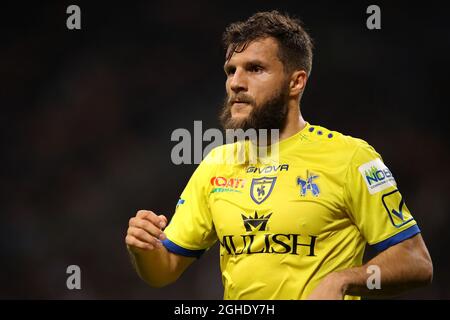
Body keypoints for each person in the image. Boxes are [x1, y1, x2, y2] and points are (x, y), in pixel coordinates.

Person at [125, 10, 433, 300]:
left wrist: (343, 279)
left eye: (255, 69)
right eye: (231, 71)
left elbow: (416, 260)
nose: (236, 83)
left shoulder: (351, 157)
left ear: (296, 82)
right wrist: (144, 247)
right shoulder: (216, 164)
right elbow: (163, 271)